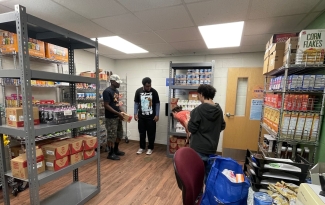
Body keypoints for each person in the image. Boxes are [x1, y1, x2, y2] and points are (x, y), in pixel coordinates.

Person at [186, 84, 226, 181]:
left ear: (202, 94)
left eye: (198, 95)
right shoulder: (218, 109)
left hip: (198, 149)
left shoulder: (198, 110)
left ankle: (199, 196)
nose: (198, 98)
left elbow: (192, 128)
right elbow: (222, 126)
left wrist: (187, 121)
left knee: (197, 176)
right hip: (212, 148)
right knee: (209, 177)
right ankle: (208, 195)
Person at [134, 77, 160, 155]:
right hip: (141, 116)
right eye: (147, 86)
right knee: (141, 132)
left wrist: (157, 114)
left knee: (151, 133)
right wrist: (135, 113)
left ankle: (150, 148)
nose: (149, 88)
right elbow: (136, 103)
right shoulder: (138, 91)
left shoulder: (154, 92)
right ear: (143, 86)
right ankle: (142, 147)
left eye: (150, 86)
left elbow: (157, 104)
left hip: (151, 116)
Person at [103, 74, 125, 160]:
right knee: (111, 136)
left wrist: (122, 111)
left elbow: (116, 104)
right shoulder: (107, 91)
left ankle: (116, 149)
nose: (119, 84)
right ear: (112, 82)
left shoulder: (116, 91)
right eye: (117, 82)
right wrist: (117, 113)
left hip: (117, 116)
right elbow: (106, 105)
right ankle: (110, 153)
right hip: (110, 118)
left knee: (119, 134)